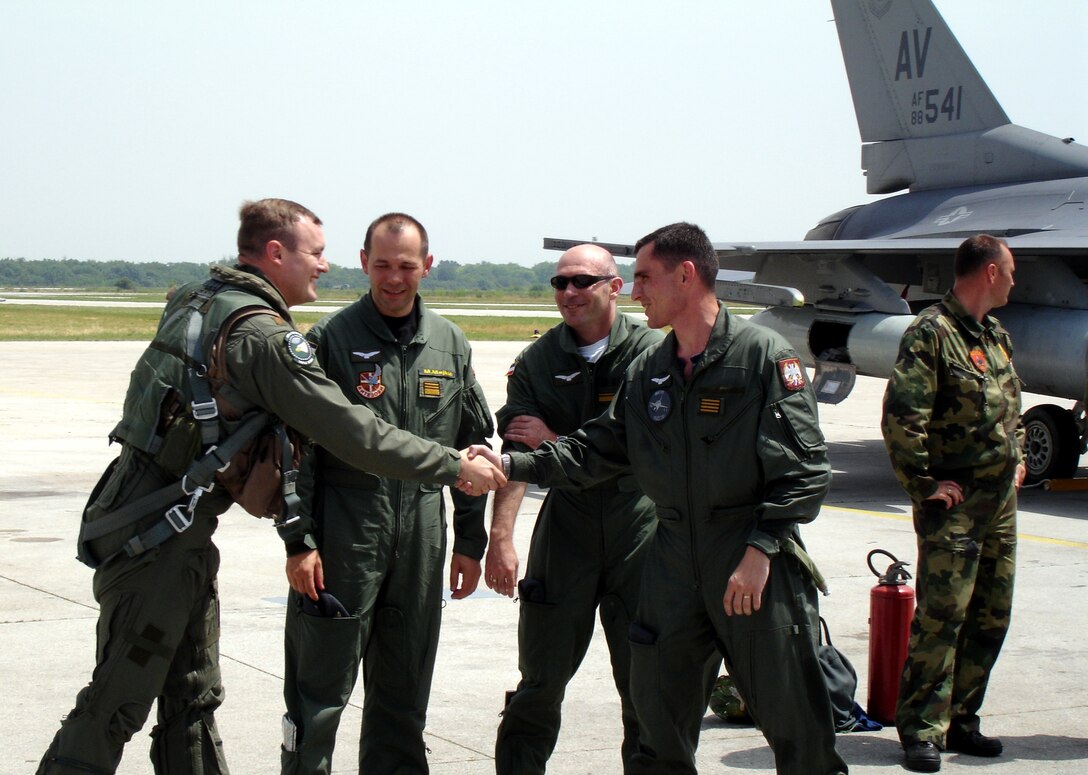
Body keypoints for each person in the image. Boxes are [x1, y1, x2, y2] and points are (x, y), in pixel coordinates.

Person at [37, 199, 504, 775]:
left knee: (192, 696)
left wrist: (466, 531)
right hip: (160, 530)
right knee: (117, 701)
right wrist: (449, 468)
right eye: (316, 253)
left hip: (171, 524)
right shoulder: (264, 333)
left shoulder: (202, 297)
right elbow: (349, 432)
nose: (324, 267)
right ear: (277, 253)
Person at [473, 222, 847, 775]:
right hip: (671, 562)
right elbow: (597, 447)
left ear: (686, 275)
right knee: (657, 726)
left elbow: (806, 472)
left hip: (745, 555)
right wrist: (509, 464)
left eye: (645, 277)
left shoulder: (761, 356)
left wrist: (762, 548)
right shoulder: (650, 370)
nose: (638, 290)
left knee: (796, 724)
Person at [280, 213, 494, 774]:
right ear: (363, 263)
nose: (394, 278)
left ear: (427, 265)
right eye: (382, 265)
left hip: (422, 536)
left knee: (403, 693)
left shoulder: (450, 345)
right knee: (318, 694)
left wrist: (469, 542)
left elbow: (470, 452)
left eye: (406, 265)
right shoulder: (330, 340)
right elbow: (297, 453)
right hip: (346, 533)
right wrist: (298, 542)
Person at [487, 244, 662, 773]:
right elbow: (519, 455)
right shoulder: (538, 362)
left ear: (615, 286)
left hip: (641, 529)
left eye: (582, 281)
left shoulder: (654, 353)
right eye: (560, 283)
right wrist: (501, 538)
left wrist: (555, 439)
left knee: (647, 686)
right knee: (539, 681)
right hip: (567, 532)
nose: (568, 293)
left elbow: (648, 446)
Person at [881, 234, 1024, 773]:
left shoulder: (995, 336)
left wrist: (1015, 458)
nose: (1014, 280)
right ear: (988, 272)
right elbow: (902, 418)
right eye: (1009, 271)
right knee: (942, 617)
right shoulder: (932, 334)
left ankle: (962, 717)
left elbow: (1006, 404)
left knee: (991, 614)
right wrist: (924, 485)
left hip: (999, 505)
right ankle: (920, 727)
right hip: (956, 505)